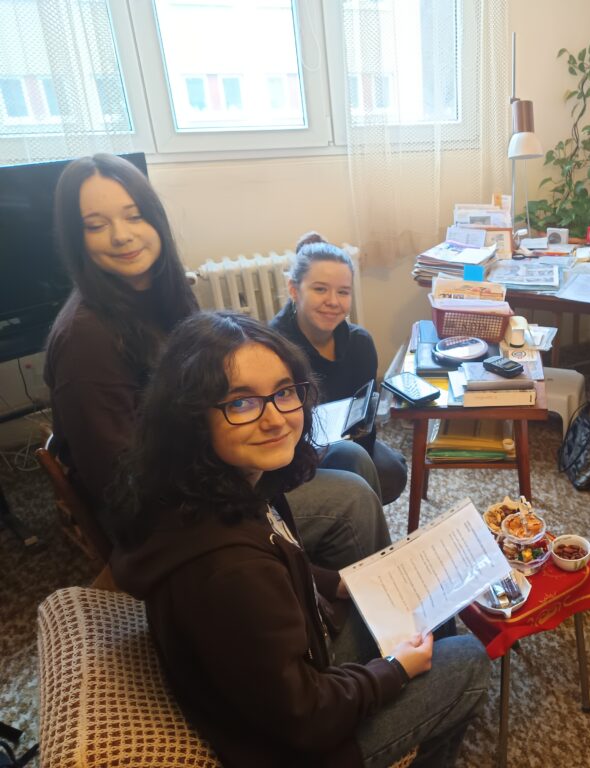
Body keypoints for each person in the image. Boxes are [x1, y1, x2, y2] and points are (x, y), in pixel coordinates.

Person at [109, 312, 490, 768]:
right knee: (468, 660)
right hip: (299, 746)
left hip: (298, 666)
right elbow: (307, 719)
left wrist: (336, 583)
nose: (275, 419)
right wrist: (393, 672)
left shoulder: (220, 488)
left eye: (284, 392)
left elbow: (277, 556)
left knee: (420, 602)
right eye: (241, 402)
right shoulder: (229, 570)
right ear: (191, 417)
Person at [43, 153, 381, 567]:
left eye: (134, 216)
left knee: (351, 456)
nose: (121, 236)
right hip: (179, 514)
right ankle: (322, 590)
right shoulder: (84, 342)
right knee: (351, 501)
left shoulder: (166, 298)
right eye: (96, 225)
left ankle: (338, 577)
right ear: (76, 238)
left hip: (216, 465)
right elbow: (126, 489)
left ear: (155, 219)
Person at [271, 232, 408, 505]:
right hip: (292, 457)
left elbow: (365, 421)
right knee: (352, 483)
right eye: (320, 289)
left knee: (392, 473)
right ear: (294, 290)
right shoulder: (275, 351)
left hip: (344, 443)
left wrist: (360, 462)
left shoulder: (360, 343)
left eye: (343, 292)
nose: (333, 301)